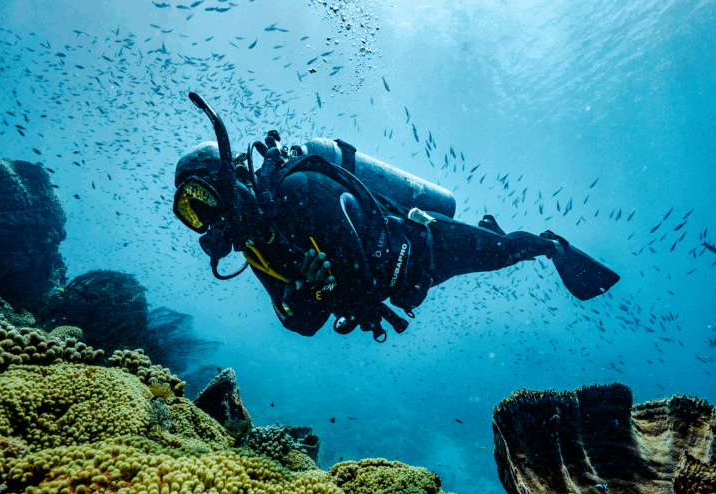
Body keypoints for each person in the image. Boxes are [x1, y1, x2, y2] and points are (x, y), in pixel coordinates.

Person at [172, 93, 619, 340]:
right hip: (406, 287)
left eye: (202, 198)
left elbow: (359, 283)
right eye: (190, 214)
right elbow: (302, 324)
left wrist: (319, 288)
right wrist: (311, 291)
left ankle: (550, 245)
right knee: (492, 251)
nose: (207, 221)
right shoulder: (259, 247)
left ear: (231, 176)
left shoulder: (298, 190)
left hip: (425, 246)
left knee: (503, 252)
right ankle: (488, 233)